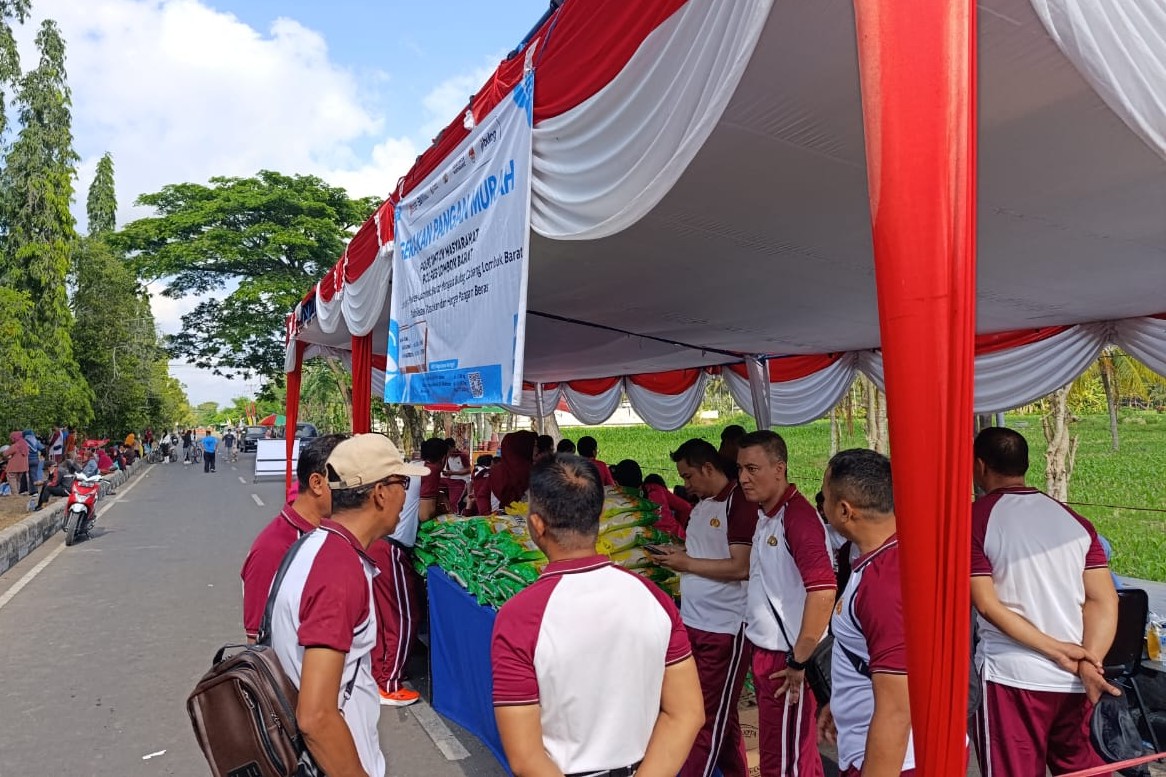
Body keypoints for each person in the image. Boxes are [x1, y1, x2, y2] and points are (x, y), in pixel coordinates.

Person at [491, 454, 705, 776]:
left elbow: (526, 758)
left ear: (536, 525)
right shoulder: (653, 598)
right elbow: (686, 713)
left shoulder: (518, 618)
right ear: (600, 515)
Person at [268, 433, 426, 777]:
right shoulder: (339, 570)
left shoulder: (314, 546)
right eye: (403, 482)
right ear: (380, 493)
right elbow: (316, 717)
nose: (407, 495)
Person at [970, 427, 1119, 777]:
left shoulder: (974, 520)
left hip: (1011, 677)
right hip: (1076, 681)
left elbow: (987, 605)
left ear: (979, 466)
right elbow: (1103, 600)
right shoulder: (1075, 521)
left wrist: (1057, 651)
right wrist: (1089, 660)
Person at [654, 439, 757, 777]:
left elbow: (740, 567)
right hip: (696, 621)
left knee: (702, 716)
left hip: (725, 626)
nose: (685, 485)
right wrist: (678, 556)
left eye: (688, 476)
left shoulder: (738, 504)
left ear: (708, 468)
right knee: (718, 713)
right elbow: (702, 555)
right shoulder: (702, 505)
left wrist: (686, 563)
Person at [737, 430, 835, 777]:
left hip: (788, 658)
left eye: (752, 468)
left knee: (785, 759)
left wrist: (800, 659)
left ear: (779, 469)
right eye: (740, 469)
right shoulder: (768, 515)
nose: (744, 478)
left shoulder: (798, 519)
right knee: (789, 752)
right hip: (772, 653)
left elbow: (823, 590)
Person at [816, 449, 914, 776]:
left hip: (896, 762)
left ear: (844, 510)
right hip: (870, 744)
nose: (821, 504)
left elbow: (898, 711)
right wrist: (844, 701)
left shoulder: (885, 583)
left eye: (824, 496)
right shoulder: (877, 560)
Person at [240, 434, 346, 641]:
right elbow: (258, 640)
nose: (356, 490)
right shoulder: (274, 547)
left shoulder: (331, 533)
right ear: (317, 483)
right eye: (346, 480)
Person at [368, 471, 423, 706]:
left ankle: (380, 673)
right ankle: (389, 683)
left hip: (377, 544)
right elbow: (427, 510)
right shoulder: (418, 478)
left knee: (383, 616)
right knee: (402, 618)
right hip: (390, 548)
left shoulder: (390, 478)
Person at [612, 459, 688, 541]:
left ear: (618, 484)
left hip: (663, 547)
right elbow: (686, 507)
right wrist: (677, 525)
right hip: (682, 538)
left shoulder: (624, 505)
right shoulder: (656, 488)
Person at [489, 430, 538, 512]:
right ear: (523, 448)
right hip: (502, 521)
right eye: (534, 446)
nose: (537, 450)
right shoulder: (498, 472)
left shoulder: (496, 471)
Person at [645, 473, 693, 539]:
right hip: (677, 536)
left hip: (652, 537)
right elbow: (686, 507)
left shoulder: (638, 493)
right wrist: (677, 523)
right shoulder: (658, 489)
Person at [418, 437, 449, 521]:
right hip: (409, 531)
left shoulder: (414, 465)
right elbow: (424, 516)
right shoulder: (430, 471)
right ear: (443, 458)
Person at [441, 437, 471, 513]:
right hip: (451, 480)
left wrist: (453, 473)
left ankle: (455, 514)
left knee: (453, 502)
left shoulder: (462, 456)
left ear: (452, 447)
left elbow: (468, 470)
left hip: (462, 480)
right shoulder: (447, 457)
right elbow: (446, 469)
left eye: (448, 450)